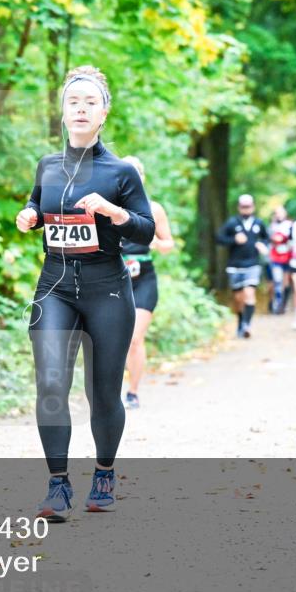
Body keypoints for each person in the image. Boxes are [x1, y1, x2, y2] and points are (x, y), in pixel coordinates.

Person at [16, 65, 154, 520]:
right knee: (51, 384)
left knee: (103, 392)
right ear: (62, 111)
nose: (80, 109)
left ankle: (104, 473)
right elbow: (39, 201)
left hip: (108, 291)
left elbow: (147, 230)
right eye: (72, 102)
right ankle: (57, 487)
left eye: (89, 102)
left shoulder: (120, 172)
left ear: (103, 113)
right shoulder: (48, 165)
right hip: (54, 286)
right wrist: (29, 214)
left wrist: (114, 212)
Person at [120, 155, 175, 410]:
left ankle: (133, 391)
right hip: (113, 278)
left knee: (134, 338)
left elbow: (168, 243)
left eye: (136, 173)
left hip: (144, 278)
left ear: (141, 178)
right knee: (111, 339)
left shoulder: (153, 209)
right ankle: (111, 390)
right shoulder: (106, 206)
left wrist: (154, 242)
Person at [216, 194, 269, 338]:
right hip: (235, 265)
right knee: (238, 298)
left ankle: (247, 325)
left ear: (253, 207)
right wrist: (233, 240)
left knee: (249, 293)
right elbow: (219, 238)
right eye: (244, 206)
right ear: (239, 207)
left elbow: (266, 238)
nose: (246, 209)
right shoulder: (232, 223)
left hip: (252, 264)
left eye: (249, 206)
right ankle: (240, 320)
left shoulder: (259, 223)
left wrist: (263, 246)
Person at [267, 205, 293, 314]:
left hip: (287, 257)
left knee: (286, 281)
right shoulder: (271, 226)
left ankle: (284, 303)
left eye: (281, 213)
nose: (279, 215)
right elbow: (268, 239)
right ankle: (277, 303)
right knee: (277, 280)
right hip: (275, 257)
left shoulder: (290, 225)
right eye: (277, 213)